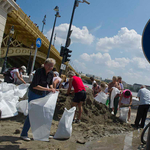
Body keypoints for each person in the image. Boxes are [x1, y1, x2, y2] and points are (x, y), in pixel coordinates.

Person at [20, 58, 57, 141]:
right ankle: (23, 134)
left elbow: (50, 84)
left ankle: (42, 134)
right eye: (49, 66)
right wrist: (48, 89)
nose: (50, 68)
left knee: (42, 114)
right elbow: (35, 86)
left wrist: (52, 88)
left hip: (42, 94)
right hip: (34, 93)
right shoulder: (39, 71)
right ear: (45, 64)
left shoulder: (51, 73)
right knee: (32, 114)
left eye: (52, 66)